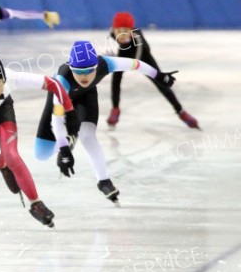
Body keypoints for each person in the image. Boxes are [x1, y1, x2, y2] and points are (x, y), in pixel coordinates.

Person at [35, 40, 177, 204]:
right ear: (71, 68)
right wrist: (64, 148)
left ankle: (103, 181)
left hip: (86, 97)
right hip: (61, 100)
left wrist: (158, 75)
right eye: (78, 71)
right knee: (42, 154)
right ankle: (70, 137)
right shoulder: (62, 80)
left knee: (88, 136)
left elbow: (136, 64)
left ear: (96, 66)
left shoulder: (106, 63)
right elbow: (57, 118)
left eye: (89, 70)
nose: (84, 76)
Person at [0, 54, 79, 228]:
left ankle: (35, 203)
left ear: (4, 78)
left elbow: (54, 84)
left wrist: (70, 110)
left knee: (12, 155)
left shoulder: (11, 77)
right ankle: (3, 164)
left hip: (3, 110)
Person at [106, 12, 199, 129]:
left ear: (131, 30)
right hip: (124, 53)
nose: (121, 34)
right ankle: (115, 109)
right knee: (116, 79)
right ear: (113, 29)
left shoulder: (137, 38)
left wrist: (133, 63)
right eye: (118, 30)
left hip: (143, 57)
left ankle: (181, 112)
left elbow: (140, 56)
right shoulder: (112, 33)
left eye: (125, 30)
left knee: (161, 84)